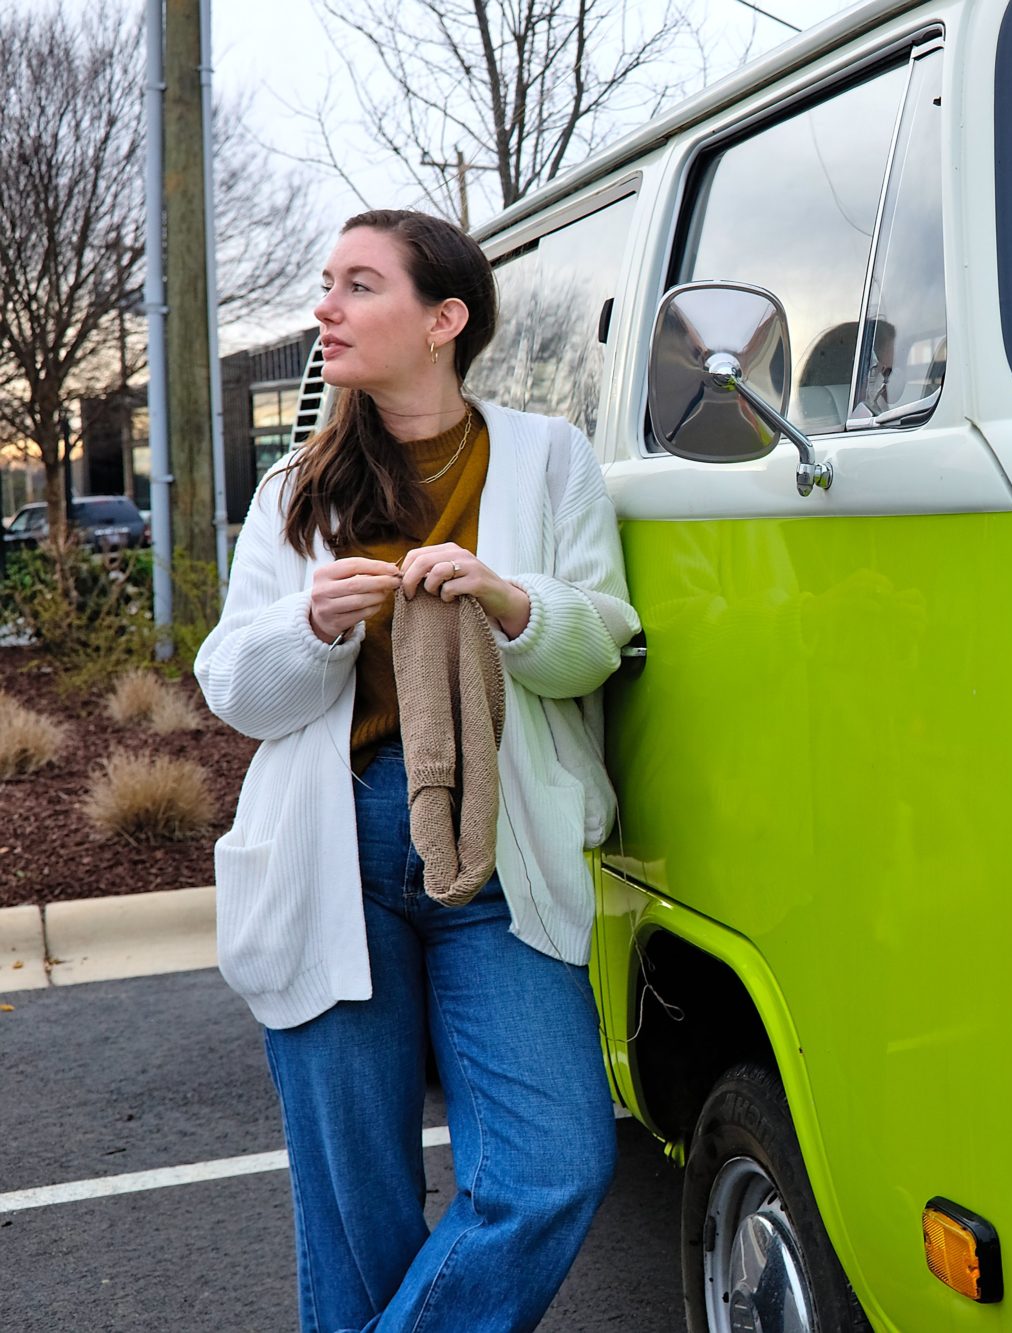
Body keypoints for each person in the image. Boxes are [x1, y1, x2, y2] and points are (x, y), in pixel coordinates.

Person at [195, 208, 640, 1333]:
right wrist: (316, 626)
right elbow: (234, 685)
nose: (324, 309)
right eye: (325, 284)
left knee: (552, 1165)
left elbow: (599, 641)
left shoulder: (547, 457)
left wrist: (511, 601)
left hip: (501, 848)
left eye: (357, 285)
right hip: (332, 845)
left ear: (444, 319)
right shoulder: (300, 482)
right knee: (359, 1215)